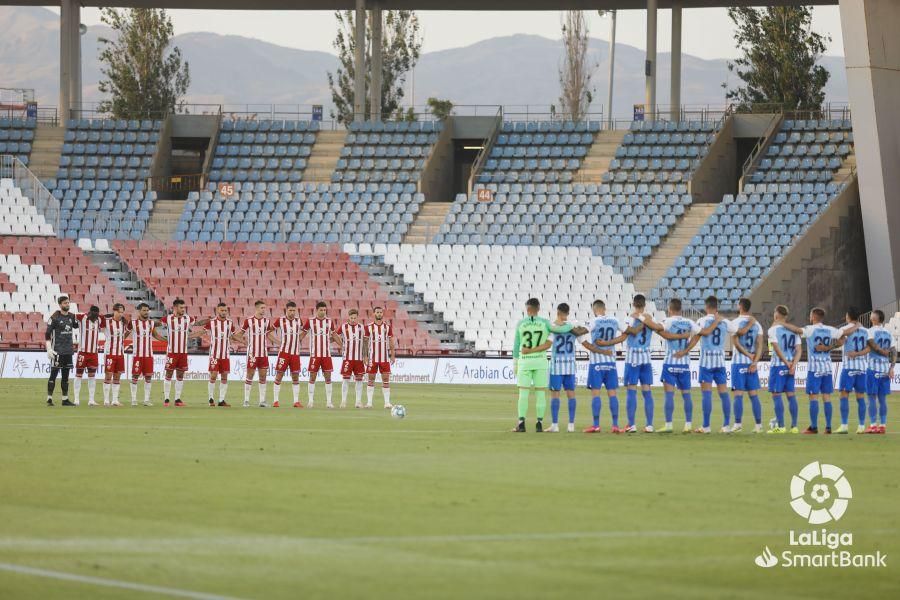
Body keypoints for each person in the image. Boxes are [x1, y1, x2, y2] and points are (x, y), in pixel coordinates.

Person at [676, 296, 743, 434]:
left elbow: (696, 338)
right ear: (717, 307)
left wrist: (685, 351)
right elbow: (738, 331)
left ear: (706, 307)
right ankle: (726, 426)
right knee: (724, 393)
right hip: (720, 361)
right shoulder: (725, 322)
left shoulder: (702, 321)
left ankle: (706, 426)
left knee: (706, 393)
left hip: (706, 362)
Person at [510, 298, 577, 432]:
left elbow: (516, 345)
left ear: (527, 309)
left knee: (523, 393)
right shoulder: (545, 323)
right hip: (541, 361)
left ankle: (521, 423)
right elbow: (561, 329)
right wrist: (571, 325)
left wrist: (515, 363)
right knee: (540, 393)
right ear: (538, 309)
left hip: (525, 361)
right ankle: (539, 423)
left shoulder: (521, 324)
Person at [642, 298, 697, 433]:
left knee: (669, 395)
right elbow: (699, 335)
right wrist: (685, 350)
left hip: (670, 362)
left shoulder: (668, 321)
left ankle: (668, 424)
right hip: (684, 363)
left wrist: (643, 317)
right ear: (681, 309)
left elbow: (655, 327)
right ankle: (688, 424)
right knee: (686, 394)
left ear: (670, 309)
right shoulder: (689, 322)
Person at [581, 299, 626, 433]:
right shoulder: (615, 320)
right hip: (610, 362)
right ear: (604, 308)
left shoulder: (594, 321)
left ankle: (596, 425)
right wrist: (611, 342)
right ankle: (615, 425)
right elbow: (626, 333)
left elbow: (583, 332)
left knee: (596, 394)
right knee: (612, 394)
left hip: (596, 363)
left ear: (594, 310)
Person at [800, 307, 842, 434]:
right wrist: (829, 347)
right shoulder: (830, 329)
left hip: (814, 369)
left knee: (813, 397)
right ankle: (828, 427)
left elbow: (796, 331)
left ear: (813, 316)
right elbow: (843, 338)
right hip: (827, 368)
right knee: (827, 397)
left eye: (810, 315)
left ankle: (813, 427)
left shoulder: (809, 329)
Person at [619, 294, 656, 433]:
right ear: (644, 305)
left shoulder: (630, 318)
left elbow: (626, 334)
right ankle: (650, 425)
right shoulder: (650, 318)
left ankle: (631, 424)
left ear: (633, 304)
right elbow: (658, 328)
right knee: (647, 391)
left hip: (633, 358)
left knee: (632, 391)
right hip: (646, 358)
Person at [547, 303, 585, 433]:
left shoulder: (553, 326)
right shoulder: (574, 325)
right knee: (571, 394)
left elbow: (548, 343)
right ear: (568, 313)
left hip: (556, 365)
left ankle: (555, 425)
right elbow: (583, 340)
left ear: (557, 311)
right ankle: (571, 425)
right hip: (570, 365)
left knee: (555, 395)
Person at [730, 298, 765, 433]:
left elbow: (736, 344)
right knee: (753, 395)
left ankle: (738, 425)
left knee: (738, 394)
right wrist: (755, 361)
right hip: (751, 364)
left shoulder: (734, 323)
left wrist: (748, 356)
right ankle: (758, 425)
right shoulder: (758, 324)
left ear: (740, 306)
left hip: (739, 363)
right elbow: (760, 345)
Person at [766, 306, 803, 433]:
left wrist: (786, 363)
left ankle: (781, 427)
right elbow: (799, 350)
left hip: (778, 365)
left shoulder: (772, 330)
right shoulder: (794, 331)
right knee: (791, 395)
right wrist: (793, 365)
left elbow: (775, 348)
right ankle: (794, 426)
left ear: (776, 314)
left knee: (776, 395)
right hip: (791, 366)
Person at [198, 302, 241, 407]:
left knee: (224, 376)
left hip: (225, 354)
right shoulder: (211, 322)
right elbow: (202, 332)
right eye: (222, 310)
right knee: (213, 375)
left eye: (225, 310)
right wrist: (190, 336)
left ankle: (221, 400)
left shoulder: (230, 323)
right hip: (214, 354)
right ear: (217, 310)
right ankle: (210, 399)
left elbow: (233, 336)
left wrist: (243, 341)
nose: (224, 312)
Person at [299, 301, 341, 409]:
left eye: (324, 310)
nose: (323, 312)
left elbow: (334, 335)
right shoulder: (310, 321)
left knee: (328, 377)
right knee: (312, 377)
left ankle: (329, 402)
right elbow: (302, 335)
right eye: (321, 310)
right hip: (315, 355)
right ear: (316, 310)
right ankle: (310, 401)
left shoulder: (329, 321)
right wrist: (294, 341)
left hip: (326, 355)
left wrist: (343, 345)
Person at [834, 307, 868, 434]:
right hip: (862, 368)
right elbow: (870, 348)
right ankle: (861, 426)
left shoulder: (844, 329)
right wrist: (859, 354)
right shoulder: (866, 331)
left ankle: (844, 425)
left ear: (848, 316)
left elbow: (838, 341)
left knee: (844, 395)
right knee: (860, 397)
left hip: (849, 367)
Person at [160, 299, 195, 407]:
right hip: (172, 352)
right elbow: (155, 325)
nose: (183, 309)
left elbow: (197, 323)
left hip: (183, 353)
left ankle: (177, 399)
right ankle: (166, 399)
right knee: (169, 374)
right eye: (181, 307)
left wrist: (208, 321)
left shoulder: (188, 318)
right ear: (175, 308)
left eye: (184, 308)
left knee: (180, 375)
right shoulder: (167, 319)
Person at [45, 295, 79, 406]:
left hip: (68, 351)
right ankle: (49, 398)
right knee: (53, 374)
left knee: (66, 376)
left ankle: (65, 399)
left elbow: (77, 326)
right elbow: (47, 334)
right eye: (65, 303)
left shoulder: (72, 316)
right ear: (60, 305)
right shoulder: (54, 317)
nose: (67, 305)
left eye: (68, 302)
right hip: (57, 351)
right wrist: (49, 349)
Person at [865, 309, 895, 434]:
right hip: (885, 370)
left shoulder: (870, 331)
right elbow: (893, 351)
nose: (870, 315)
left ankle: (873, 425)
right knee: (882, 399)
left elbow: (872, 345)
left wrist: (881, 351)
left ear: (874, 318)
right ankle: (882, 425)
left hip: (873, 369)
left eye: (872, 314)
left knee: (871, 398)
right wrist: (892, 367)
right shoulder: (889, 333)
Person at [271, 301, 304, 408]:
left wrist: (299, 339)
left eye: (294, 310)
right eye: (290, 310)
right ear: (286, 310)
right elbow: (268, 332)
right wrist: (277, 342)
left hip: (295, 354)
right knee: (279, 375)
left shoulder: (299, 321)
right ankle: (275, 401)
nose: (292, 312)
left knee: (295, 377)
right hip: (284, 353)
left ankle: (296, 401)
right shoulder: (280, 320)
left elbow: (304, 331)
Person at [129, 303, 162, 407]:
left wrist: (168, 341)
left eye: (147, 310)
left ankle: (146, 400)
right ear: (139, 311)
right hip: (137, 355)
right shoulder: (133, 323)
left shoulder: (151, 323)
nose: (146, 312)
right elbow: (125, 334)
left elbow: (156, 335)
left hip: (149, 355)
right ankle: (134, 399)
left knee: (148, 377)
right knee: (135, 376)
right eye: (144, 310)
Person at [241, 300, 272, 408]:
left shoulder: (267, 321)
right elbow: (240, 333)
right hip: (252, 353)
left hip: (263, 353)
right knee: (250, 375)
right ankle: (246, 400)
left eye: (265, 308)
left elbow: (268, 335)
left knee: (263, 377)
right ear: (257, 308)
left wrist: (279, 342)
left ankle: (262, 401)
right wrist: (243, 342)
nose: (264, 310)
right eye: (262, 308)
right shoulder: (248, 321)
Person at [364, 306, 396, 409]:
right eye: (377, 312)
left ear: (382, 314)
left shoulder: (387, 327)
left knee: (386, 379)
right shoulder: (368, 327)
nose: (379, 314)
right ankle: (369, 403)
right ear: (373, 314)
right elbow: (365, 342)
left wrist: (392, 354)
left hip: (384, 358)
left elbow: (391, 342)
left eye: (380, 312)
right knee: (371, 379)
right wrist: (365, 356)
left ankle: (387, 403)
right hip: (372, 358)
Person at [73, 305, 104, 407]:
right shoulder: (82, 317)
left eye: (96, 315)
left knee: (92, 376)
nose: (95, 317)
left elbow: (108, 317)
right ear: (90, 312)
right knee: (79, 375)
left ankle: (91, 400)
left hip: (94, 353)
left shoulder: (99, 319)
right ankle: (76, 399)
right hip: (82, 352)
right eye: (93, 314)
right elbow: (69, 316)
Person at [338, 308, 367, 409]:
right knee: (345, 380)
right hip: (347, 358)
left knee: (359, 380)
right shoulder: (343, 327)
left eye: (355, 318)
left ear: (357, 317)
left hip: (359, 359)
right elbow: (335, 336)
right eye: (351, 318)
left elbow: (365, 342)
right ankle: (343, 401)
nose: (353, 319)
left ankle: (358, 402)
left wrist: (365, 355)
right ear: (348, 317)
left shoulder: (362, 328)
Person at [102, 303, 129, 407]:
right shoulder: (107, 321)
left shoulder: (123, 323)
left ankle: (115, 400)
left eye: (122, 312)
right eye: (119, 312)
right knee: (108, 375)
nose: (121, 314)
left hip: (120, 353)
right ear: (114, 311)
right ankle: (106, 400)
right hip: (110, 353)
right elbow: (99, 321)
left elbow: (124, 335)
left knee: (117, 377)